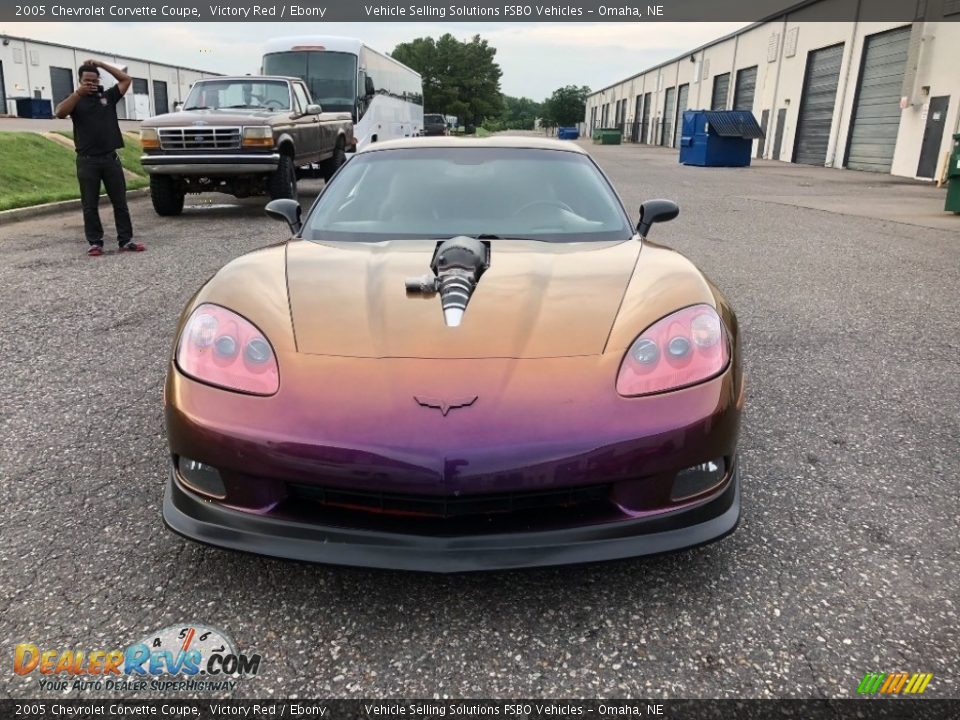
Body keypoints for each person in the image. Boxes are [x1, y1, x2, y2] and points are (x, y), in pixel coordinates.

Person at [55, 59, 145, 256]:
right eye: (86, 81)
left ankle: (126, 240)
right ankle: (95, 243)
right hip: (87, 161)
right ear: (79, 81)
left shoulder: (108, 96)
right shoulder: (75, 100)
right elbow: (60, 113)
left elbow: (126, 79)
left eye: (94, 80)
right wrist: (78, 93)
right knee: (90, 205)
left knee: (120, 203)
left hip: (110, 159)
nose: (91, 84)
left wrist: (102, 65)